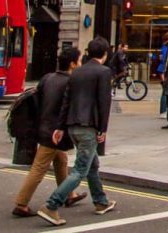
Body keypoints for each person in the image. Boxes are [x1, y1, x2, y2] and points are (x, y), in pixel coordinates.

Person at [37, 38, 116, 226]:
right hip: (88, 126)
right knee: (80, 170)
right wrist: (102, 129)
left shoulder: (77, 72)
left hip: (72, 126)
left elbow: (67, 100)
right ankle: (51, 205)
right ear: (105, 54)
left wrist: (60, 126)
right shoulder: (104, 72)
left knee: (92, 164)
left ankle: (101, 201)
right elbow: (104, 103)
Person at [12, 48, 88, 218]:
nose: (81, 64)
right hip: (55, 132)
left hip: (43, 127)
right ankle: (21, 203)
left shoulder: (47, 78)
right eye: (80, 60)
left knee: (61, 160)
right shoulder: (71, 82)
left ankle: (69, 195)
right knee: (39, 167)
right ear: (73, 64)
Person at [155, 31, 168, 118]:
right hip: (164, 70)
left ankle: (165, 109)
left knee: (166, 91)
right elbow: (164, 60)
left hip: (163, 70)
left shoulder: (166, 47)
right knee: (165, 91)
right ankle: (163, 111)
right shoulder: (166, 48)